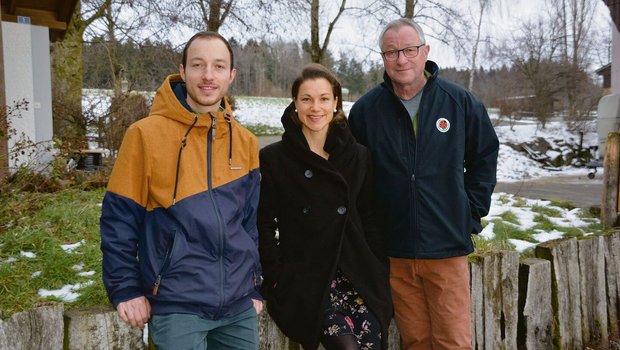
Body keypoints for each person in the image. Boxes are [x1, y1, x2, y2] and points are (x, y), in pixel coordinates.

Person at [100, 31, 263, 350]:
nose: (207, 76)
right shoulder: (145, 135)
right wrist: (125, 287)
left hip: (238, 308)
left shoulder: (246, 142)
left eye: (218, 66)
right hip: (178, 304)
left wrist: (255, 286)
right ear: (183, 70)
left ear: (231, 76)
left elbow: (250, 225)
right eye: (198, 65)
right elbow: (119, 219)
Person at [348, 19, 499, 350]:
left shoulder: (459, 103)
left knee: (452, 342)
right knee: (415, 341)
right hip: (396, 251)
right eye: (391, 52)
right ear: (383, 57)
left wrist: (469, 215)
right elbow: (355, 178)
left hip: (445, 247)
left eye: (409, 50)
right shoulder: (365, 112)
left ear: (425, 51)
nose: (401, 59)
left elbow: (484, 158)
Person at [258, 63, 393, 350]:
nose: (315, 107)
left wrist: (379, 267)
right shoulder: (275, 159)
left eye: (323, 99)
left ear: (336, 104)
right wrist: (276, 276)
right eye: (306, 99)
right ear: (295, 103)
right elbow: (265, 223)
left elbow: (370, 218)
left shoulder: (358, 156)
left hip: (357, 274)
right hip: (307, 278)